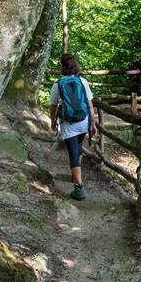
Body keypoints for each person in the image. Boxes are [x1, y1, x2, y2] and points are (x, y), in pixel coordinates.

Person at [50, 53, 97, 200]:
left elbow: (53, 105)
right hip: (83, 120)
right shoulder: (82, 81)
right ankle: (75, 176)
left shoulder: (58, 84)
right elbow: (90, 105)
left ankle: (79, 188)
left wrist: (52, 121)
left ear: (62, 66)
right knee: (78, 146)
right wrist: (93, 123)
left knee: (73, 153)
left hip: (68, 122)